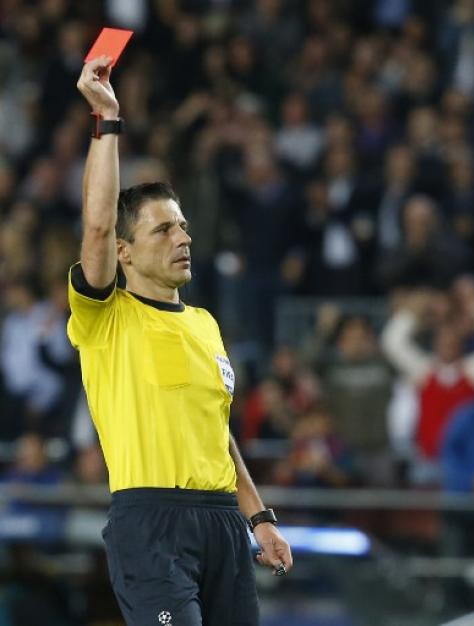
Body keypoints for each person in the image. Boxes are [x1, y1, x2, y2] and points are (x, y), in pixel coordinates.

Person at [68, 56, 292, 626]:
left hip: (222, 523)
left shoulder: (205, 324)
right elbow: (96, 224)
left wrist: (258, 515)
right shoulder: (105, 316)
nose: (182, 236)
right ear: (124, 252)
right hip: (151, 521)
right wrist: (107, 122)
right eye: (163, 228)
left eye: (184, 225)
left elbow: (217, 433)